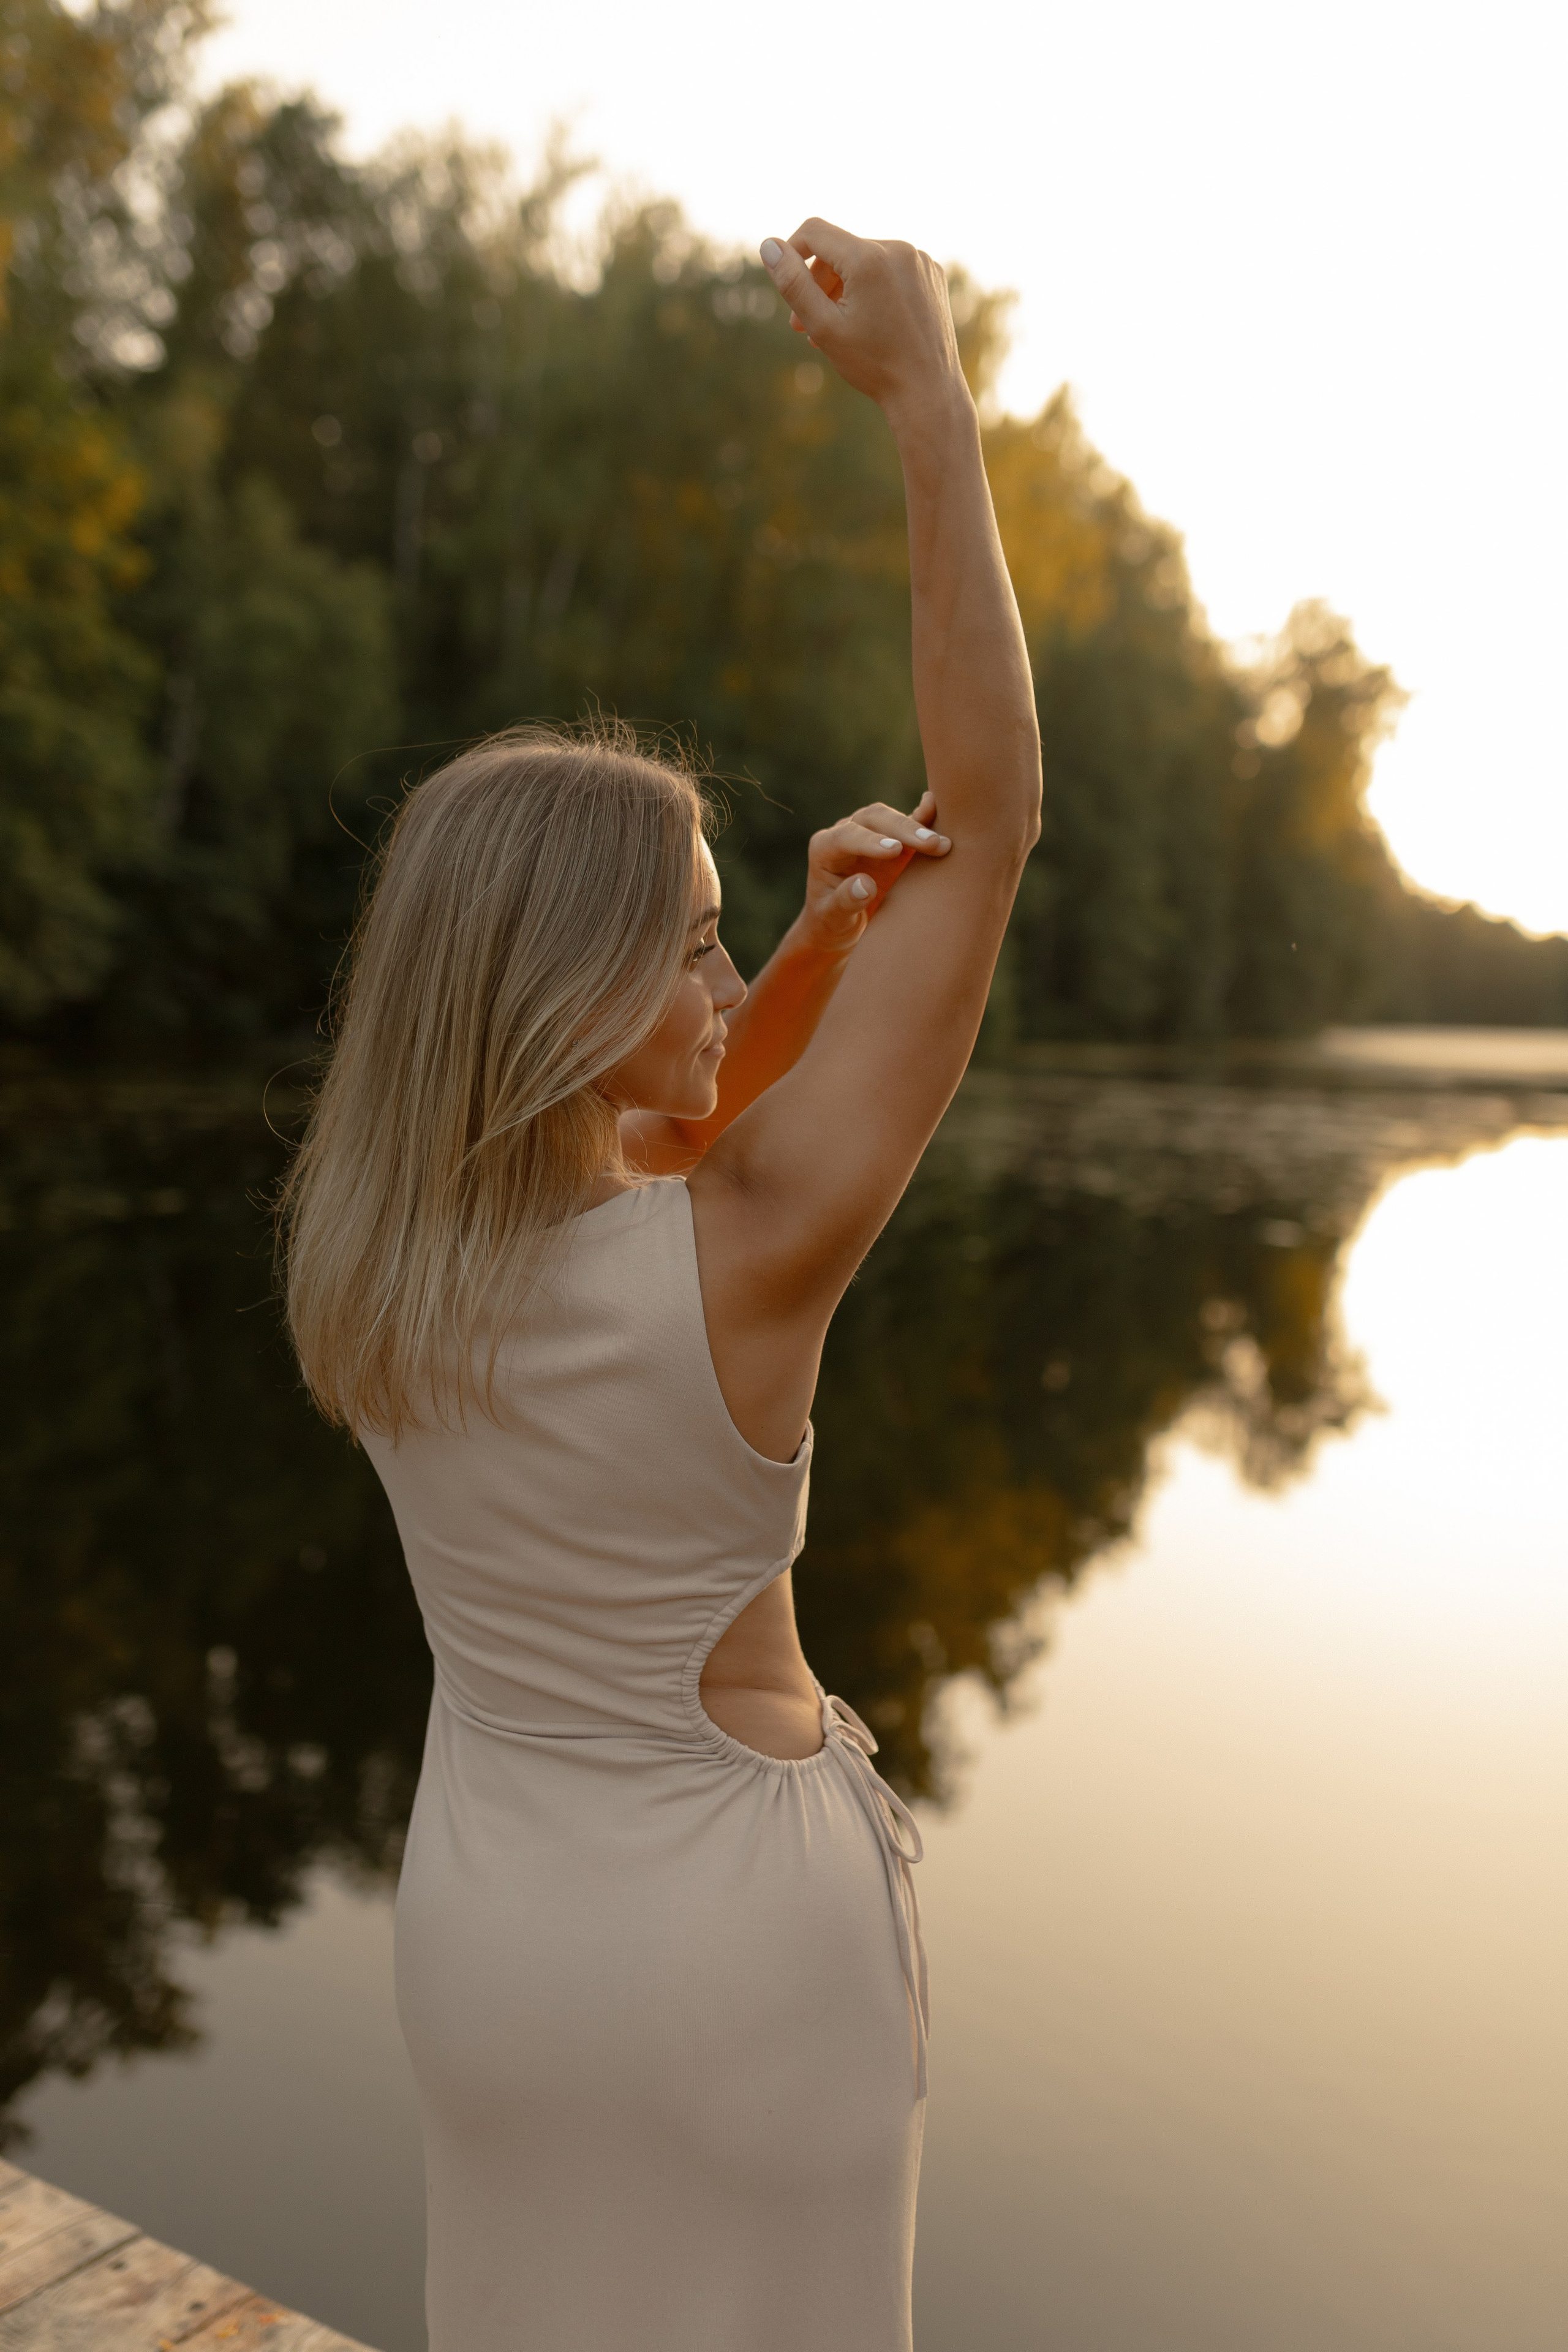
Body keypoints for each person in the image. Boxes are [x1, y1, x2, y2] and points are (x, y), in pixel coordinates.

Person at [282, 218, 1040, 2352]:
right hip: (735, 1970)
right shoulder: (745, 1258)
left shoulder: (381, 1264)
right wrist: (929, 405)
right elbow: (991, 818)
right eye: (698, 936)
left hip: (494, 1950)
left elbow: (650, 1143)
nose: (727, 972)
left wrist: (797, 960)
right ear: (573, 986)